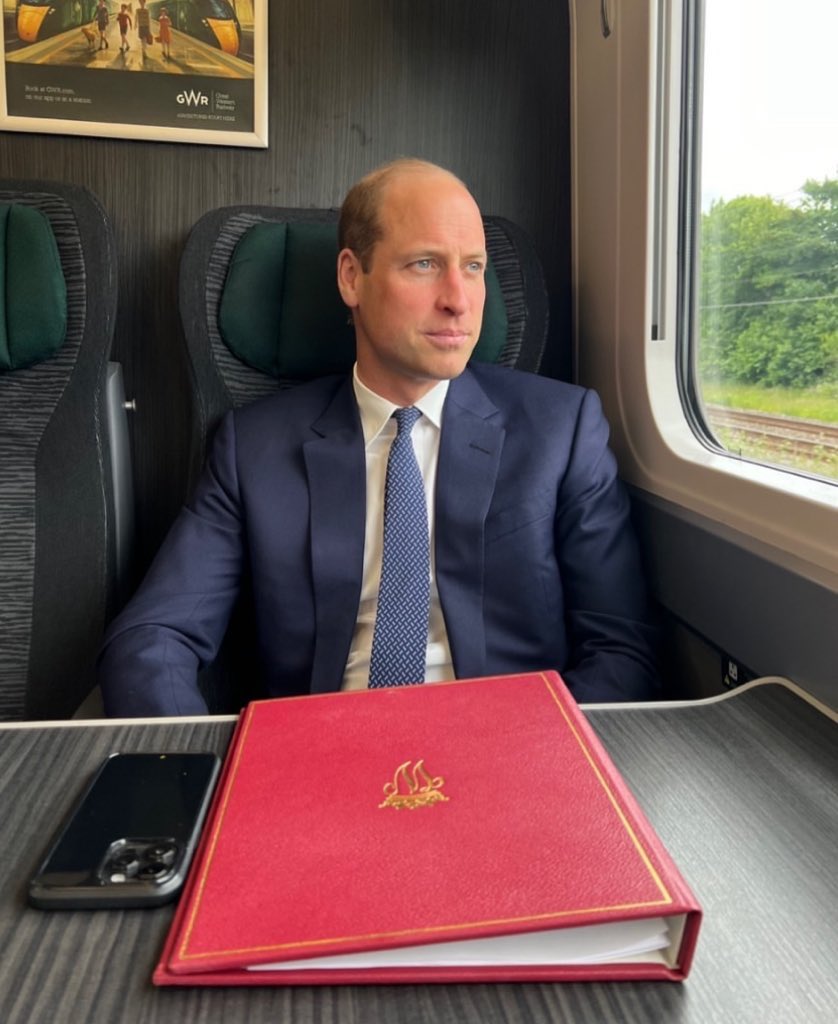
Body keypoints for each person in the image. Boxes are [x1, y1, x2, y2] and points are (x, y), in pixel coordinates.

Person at [98, 159, 660, 716]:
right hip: (325, 757)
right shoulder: (254, 449)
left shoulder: (561, 431)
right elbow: (152, 640)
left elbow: (621, 647)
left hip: (508, 752)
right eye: (424, 264)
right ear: (351, 277)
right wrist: (212, 778)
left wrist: (548, 765)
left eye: (472, 267)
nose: (459, 300)